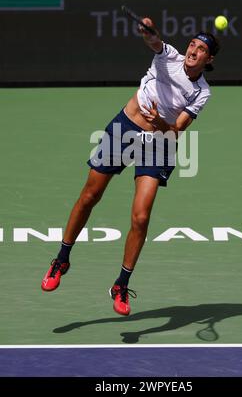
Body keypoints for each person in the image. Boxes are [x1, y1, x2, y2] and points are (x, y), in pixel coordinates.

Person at [41, 17, 220, 316]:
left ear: (209, 59)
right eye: (192, 44)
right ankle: (61, 259)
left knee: (140, 217)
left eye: (201, 49)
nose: (193, 50)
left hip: (159, 143)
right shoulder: (169, 57)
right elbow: (155, 42)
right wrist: (149, 32)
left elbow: (177, 129)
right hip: (125, 128)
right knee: (90, 196)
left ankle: (121, 284)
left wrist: (160, 123)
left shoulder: (202, 92)